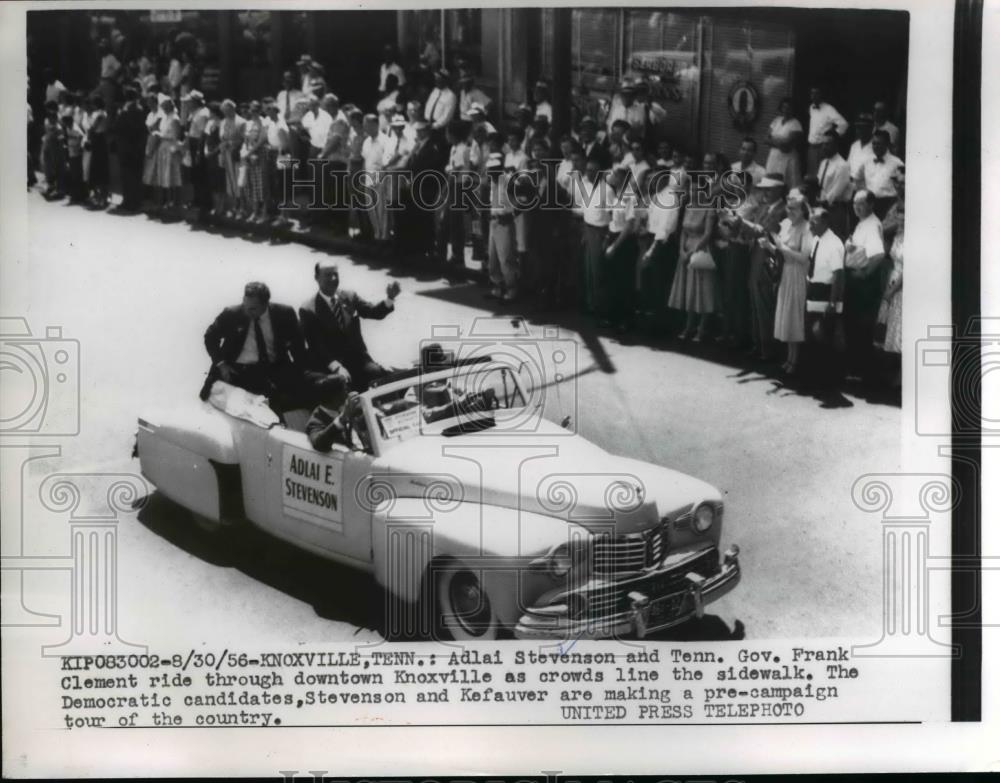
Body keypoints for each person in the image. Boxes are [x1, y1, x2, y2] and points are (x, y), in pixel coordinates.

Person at [200, 281, 310, 405]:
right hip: (236, 370)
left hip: (273, 368)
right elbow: (210, 337)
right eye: (245, 305)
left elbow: (298, 346)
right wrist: (221, 364)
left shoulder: (284, 313)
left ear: (265, 304)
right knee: (221, 403)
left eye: (252, 309)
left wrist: (298, 372)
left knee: (303, 396)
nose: (246, 311)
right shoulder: (231, 313)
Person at [298, 260, 401, 391]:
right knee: (342, 387)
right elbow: (317, 346)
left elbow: (373, 312)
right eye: (328, 275)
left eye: (335, 274)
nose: (333, 279)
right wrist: (337, 367)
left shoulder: (349, 296)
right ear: (316, 278)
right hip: (332, 364)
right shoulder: (308, 309)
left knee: (379, 375)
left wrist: (390, 298)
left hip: (359, 360)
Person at [738, 174, 788, 360]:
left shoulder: (782, 211)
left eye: (769, 189)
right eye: (764, 189)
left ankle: (768, 348)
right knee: (755, 301)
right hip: (755, 257)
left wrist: (741, 223)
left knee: (764, 303)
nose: (765, 192)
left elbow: (766, 232)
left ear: (779, 190)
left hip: (768, 260)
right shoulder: (764, 208)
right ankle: (757, 343)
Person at [764, 190, 813, 375]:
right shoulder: (785, 224)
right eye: (789, 208)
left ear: (803, 210)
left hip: (798, 274)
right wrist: (770, 246)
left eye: (795, 209)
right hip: (785, 272)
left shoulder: (806, 228)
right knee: (786, 314)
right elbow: (779, 251)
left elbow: (805, 257)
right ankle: (789, 357)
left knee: (795, 316)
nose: (790, 211)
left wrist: (781, 247)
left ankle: (795, 359)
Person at [668, 164, 719, 342]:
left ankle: (702, 328)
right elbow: (683, 230)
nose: (695, 192)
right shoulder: (689, 206)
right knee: (689, 290)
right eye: (692, 189)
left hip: (701, 250)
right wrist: (682, 250)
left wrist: (693, 251)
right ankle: (689, 326)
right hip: (687, 248)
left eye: (698, 190)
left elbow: (708, 233)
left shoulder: (709, 208)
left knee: (702, 291)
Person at [843, 189, 886, 382]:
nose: (857, 208)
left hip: (863, 283)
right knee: (853, 324)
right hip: (854, 278)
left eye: (861, 204)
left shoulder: (872, 224)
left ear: (871, 204)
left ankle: (861, 371)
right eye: (854, 204)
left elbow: (878, 255)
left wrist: (865, 273)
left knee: (860, 327)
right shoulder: (862, 222)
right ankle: (855, 368)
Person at [638, 169, 684, 334]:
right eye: (649, 179)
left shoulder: (669, 198)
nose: (650, 182)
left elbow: (665, 229)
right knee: (650, 283)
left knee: (660, 285)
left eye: (654, 179)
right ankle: (653, 323)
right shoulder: (657, 196)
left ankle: (661, 326)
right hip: (653, 238)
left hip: (662, 245)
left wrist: (651, 250)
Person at [804, 207, 845, 384]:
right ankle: (816, 375)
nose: (811, 225)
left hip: (826, 294)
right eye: (810, 221)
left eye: (815, 222)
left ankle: (829, 378)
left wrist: (832, 302)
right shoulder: (816, 240)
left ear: (825, 222)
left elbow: (838, 275)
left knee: (824, 336)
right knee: (813, 336)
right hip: (814, 291)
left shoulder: (835, 244)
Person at [604, 164, 639, 330]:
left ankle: (626, 320)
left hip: (625, 242)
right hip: (614, 235)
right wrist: (607, 239)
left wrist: (615, 247)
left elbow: (629, 225)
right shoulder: (616, 194)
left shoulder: (629, 197)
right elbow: (613, 218)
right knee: (613, 280)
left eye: (616, 175)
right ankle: (613, 317)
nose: (613, 177)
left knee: (624, 281)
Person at [874, 207, 903, 389]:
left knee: (902, 329)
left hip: (903, 283)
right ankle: (893, 373)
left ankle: (902, 376)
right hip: (893, 277)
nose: (900, 220)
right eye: (898, 218)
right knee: (890, 327)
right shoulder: (898, 236)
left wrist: (891, 292)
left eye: (904, 218)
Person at [485, 151, 517, 301]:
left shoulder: (509, 180)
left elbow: (525, 198)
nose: (490, 172)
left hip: (505, 222)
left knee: (506, 259)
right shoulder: (492, 182)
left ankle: (511, 290)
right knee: (493, 258)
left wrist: (513, 214)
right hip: (494, 222)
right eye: (489, 169)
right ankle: (497, 286)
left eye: (494, 169)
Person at [111, 86, 146, 213]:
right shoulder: (139, 109)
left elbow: (118, 126)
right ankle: (134, 201)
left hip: (126, 147)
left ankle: (129, 201)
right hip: (136, 147)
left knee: (127, 175)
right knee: (135, 175)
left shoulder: (125, 110)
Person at [854, 130, 903, 219]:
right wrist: (863, 191)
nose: (876, 147)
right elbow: (857, 177)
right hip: (870, 204)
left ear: (887, 144)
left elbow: (903, 187)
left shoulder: (897, 163)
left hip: (888, 205)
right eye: (874, 143)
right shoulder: (867, 160)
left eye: (879, 144)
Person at [815, 130, 852, 239]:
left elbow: (836, 192)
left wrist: (823, 201)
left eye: (828, 144)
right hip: (822, 207)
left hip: (835, 210)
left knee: (835, 238)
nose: (824, 147)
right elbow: (820, 185)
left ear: (836, 146)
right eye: (823, 144)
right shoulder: (823, 163)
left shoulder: (842, 165)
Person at [307, 387, 365, 453]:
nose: (348, 394)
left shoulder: (349, 409)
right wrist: (342, 419)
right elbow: (319, 445)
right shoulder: (315, 422)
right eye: (344, 391)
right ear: (335, 397)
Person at [805, 87, 848, 175]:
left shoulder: (829, 109)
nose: (814, 96)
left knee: (822, 174)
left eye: (816, 94)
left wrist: (833, 137)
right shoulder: (811, 108)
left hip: (823, 148)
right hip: (811, 148)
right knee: (812, 175)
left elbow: (844, 124)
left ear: (821, 95)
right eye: (812, 94)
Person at [184, 90, 211, 223]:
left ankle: (203, 202)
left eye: (190, 101)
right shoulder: (193, 113)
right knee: (194, 174)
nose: (188, 104)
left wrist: (199, 150)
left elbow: (202, 134)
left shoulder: (203, 113)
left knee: (200, 173)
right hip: (192, 143)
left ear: (195, 101)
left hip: (199, 144)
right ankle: (196, 199)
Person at [765, 98, 803, 189]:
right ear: (781, 108)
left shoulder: (796, 124)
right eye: (784, 107)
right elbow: (765, 139)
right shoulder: (776, 120)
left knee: (788, 185)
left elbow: (787, 147)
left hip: (788, 159)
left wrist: (773, 140)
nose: (786, 110)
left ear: (793, 109)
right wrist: (780, 142)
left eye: (789, 108)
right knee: (771, 182)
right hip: (773, 157)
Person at [85, 96, 110, 208]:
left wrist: (89, 133)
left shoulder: (100, 114)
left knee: (100, 169)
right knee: (96, 169)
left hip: (99, 140)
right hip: (98, 140)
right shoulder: (100, 113)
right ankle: (98, 195)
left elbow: (92, 127)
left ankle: (102, 196)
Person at [425, 69, 457, 135]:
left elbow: (447, 116)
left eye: (439, 79)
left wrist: (434, 126)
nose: (437, 81)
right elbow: (428, 105)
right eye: (436, 79)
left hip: (439, 128)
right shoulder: (435, 90)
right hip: (427, 123)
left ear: (445, 81)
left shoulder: (451, 96)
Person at [847, 113, 875, 186]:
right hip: (850, 183)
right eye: (858, 128)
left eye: (863, 128)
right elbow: (847, 167)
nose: (859, 131)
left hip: (866, 185)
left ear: (871, 129)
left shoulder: (876, 146)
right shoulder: (854, 146)